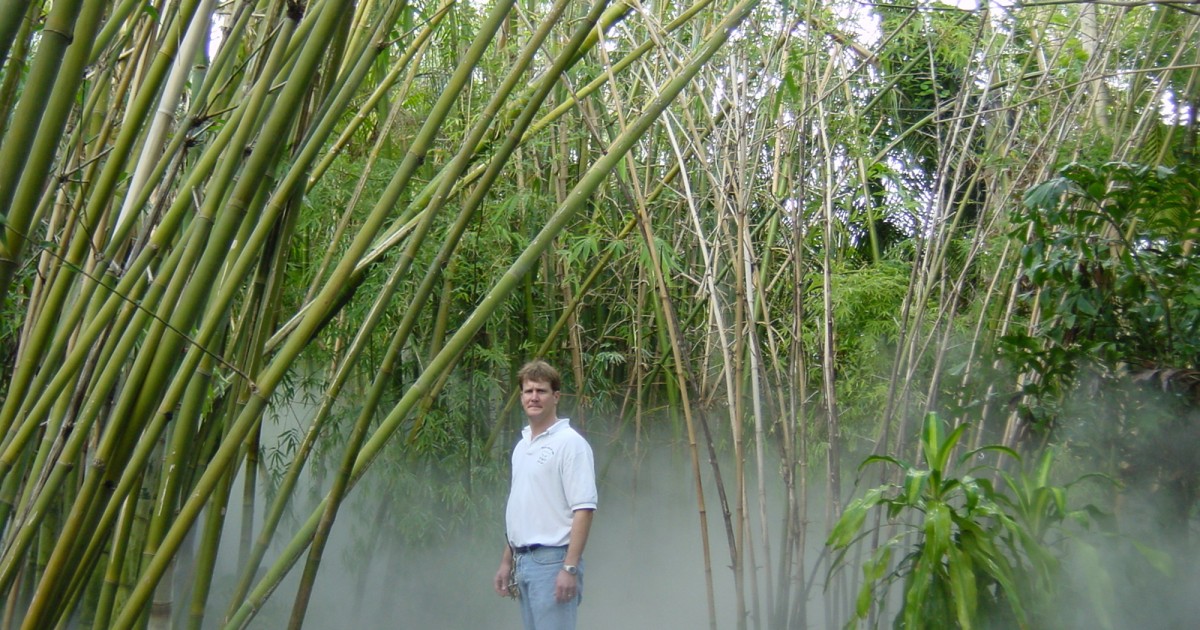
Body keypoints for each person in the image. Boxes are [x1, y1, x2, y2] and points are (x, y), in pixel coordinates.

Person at [493, 360, 597, 630]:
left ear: (556, 397)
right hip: (523, 560)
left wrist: (569, 568)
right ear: (521, 397)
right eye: (528, 392)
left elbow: (584, 509)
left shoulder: (570, 443)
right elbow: (522, 509)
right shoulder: (522, 446)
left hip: (553, 561)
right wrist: (507, 561)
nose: (534, 397)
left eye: (541, 391)